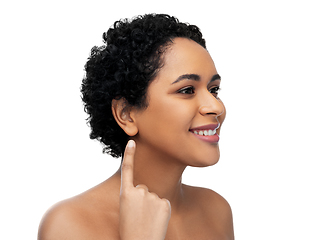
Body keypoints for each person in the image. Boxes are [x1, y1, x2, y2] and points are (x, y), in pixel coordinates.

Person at [38, 14, 234, 240]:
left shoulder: (215, 210)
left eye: (214, 89)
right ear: (126, 114)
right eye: (187, 90)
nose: (215, 106)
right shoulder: (70, 225)